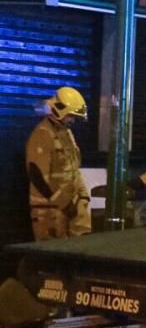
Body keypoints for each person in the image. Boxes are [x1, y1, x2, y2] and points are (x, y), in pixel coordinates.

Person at [26, 87, 91, 240]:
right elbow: (38, 176)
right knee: (51, 257)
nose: (72, 120)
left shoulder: (66, 132)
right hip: (49, 210)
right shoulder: (42, 134)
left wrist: (83, 196)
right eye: (70, 115)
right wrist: (65, 204)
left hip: (71, 205)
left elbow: (74, 168)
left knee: (80, 251)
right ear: (58, 110)